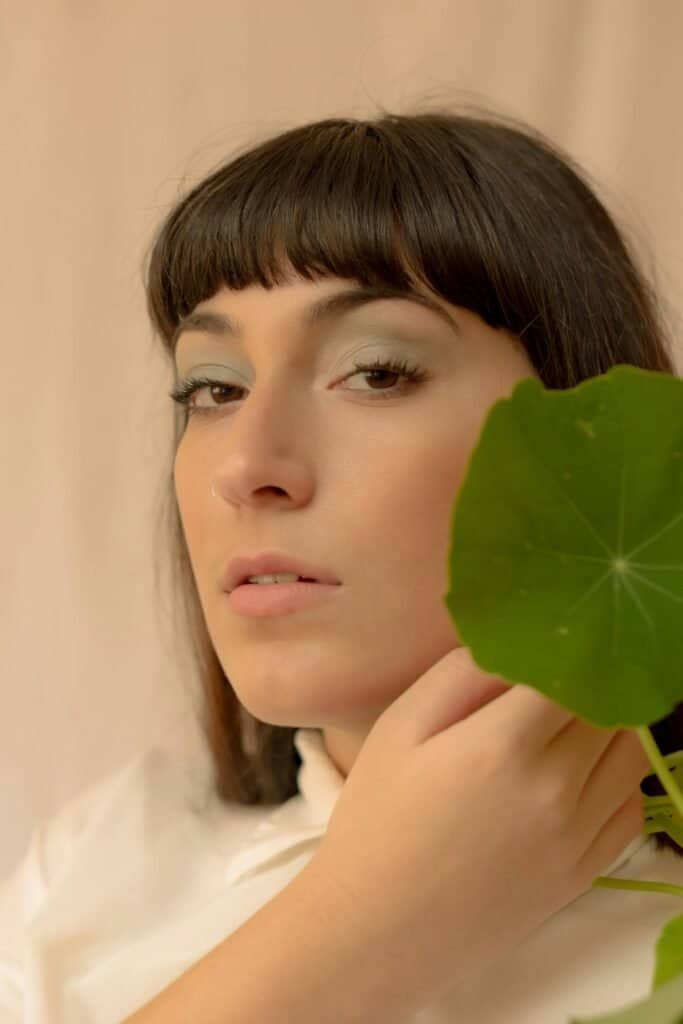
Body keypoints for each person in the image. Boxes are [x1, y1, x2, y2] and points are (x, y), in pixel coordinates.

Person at [1, 104, 681, 1024]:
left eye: (375, 371)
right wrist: (363, 923)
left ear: (586, 426)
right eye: (212, 387)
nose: (246, 466)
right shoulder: (98, 862)